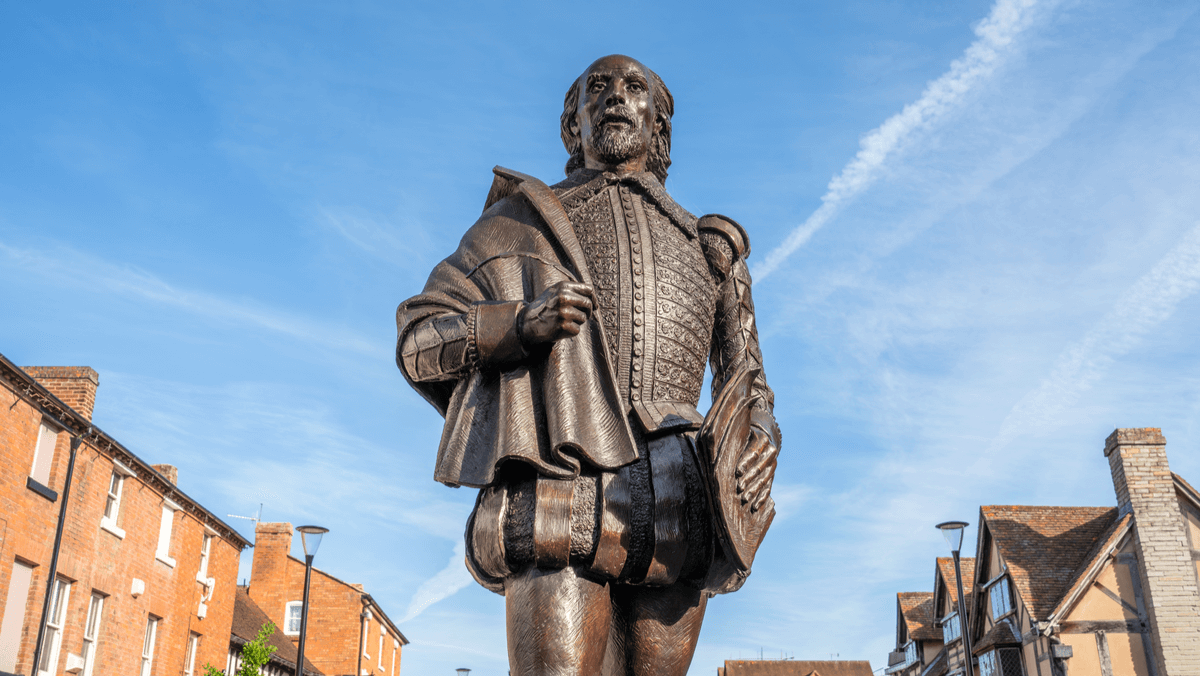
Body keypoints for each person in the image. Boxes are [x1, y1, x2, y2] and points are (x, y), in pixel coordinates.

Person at [395, 54, 780, 676]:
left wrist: (760, 433)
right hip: (557, 482)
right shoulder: (516, 224)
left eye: (635, 88)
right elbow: (417, 337)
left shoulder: (708, 248)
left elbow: (749, 380)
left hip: (678, 498)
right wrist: (517, 324)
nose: (616, 97)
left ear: (660, 124)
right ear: (573, 125)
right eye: (596, 88)